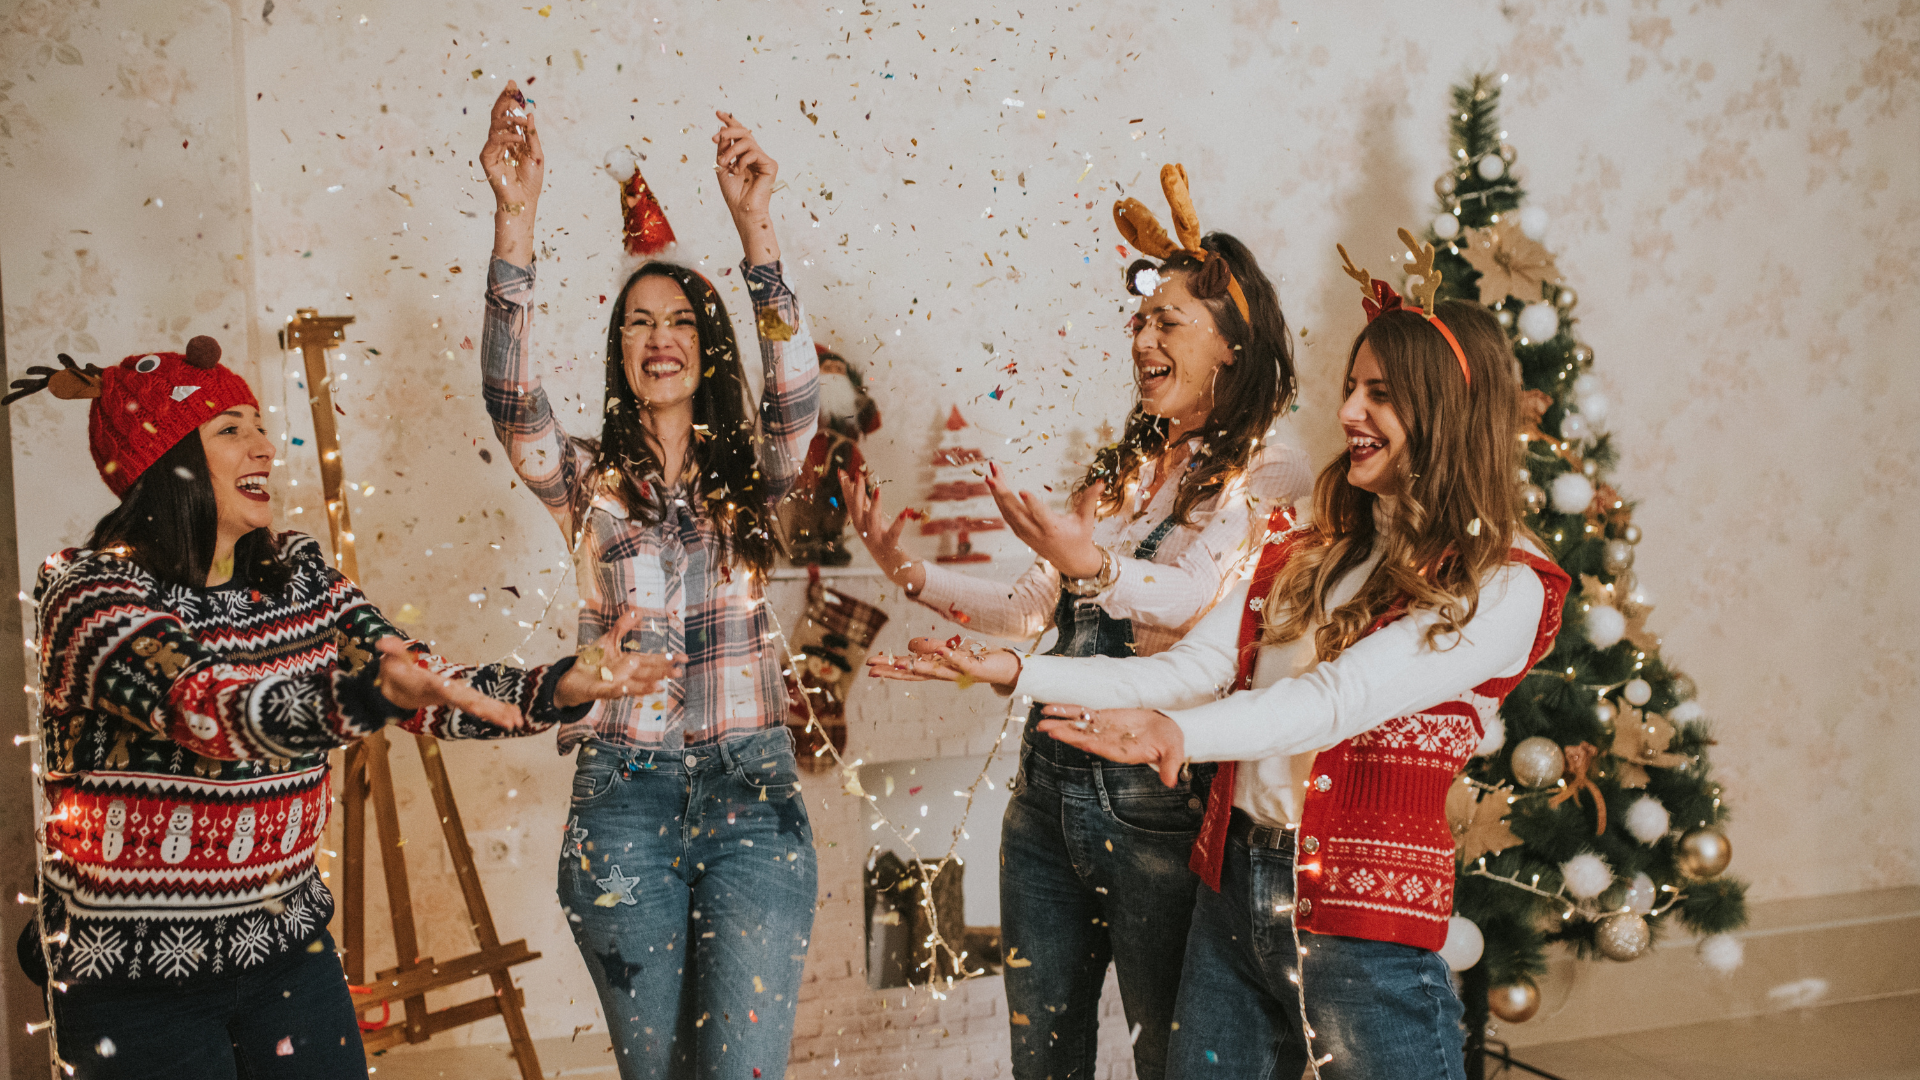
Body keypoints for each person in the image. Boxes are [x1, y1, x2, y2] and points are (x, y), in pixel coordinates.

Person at [871, 239, 1572, 1079]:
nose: (1348, 411)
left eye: (1378, 395)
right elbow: (1197, 666)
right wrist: (1019, 672)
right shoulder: (1315, 547)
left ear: (1449, 411)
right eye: (1351, 387)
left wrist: (1176, 737)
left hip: (1362, 928)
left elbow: (1335, 696)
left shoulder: (1505, 583)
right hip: (1231, 892)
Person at [10, 337, 671, 1080]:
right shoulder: (90, 592)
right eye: (230, 429)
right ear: (165, 464)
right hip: (131, 985)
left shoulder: (298, 574)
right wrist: (369, 695)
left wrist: (560, 685)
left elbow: (419, 682)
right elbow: (213, 710)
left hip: (287, 958)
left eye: (259, 424)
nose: (264, 444)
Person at [848, 166, 1310, 1080]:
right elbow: (1029, 609)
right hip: (1044, 803)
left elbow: (1187, 607)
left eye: (1166, 320)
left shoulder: (1272, 473)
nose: (1139, 336)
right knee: (1041, 1061)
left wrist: (1090, 563)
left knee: (1166, 1059)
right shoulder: (1122, 468)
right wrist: (905, 571)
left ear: (1232, 346)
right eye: (1138, 321)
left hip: (1156, 816)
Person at [477, 83, 821, 1079]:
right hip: (621, 805)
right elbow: (509, 398)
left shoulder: (759, 469)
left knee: (739, 1068)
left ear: (708, 343)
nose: (659, 337)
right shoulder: (586, 482)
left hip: (753, 798)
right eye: (637, 323)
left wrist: (756, 232)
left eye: (679, 320)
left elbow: (795, 399)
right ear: (618, 348)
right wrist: (515, 219)